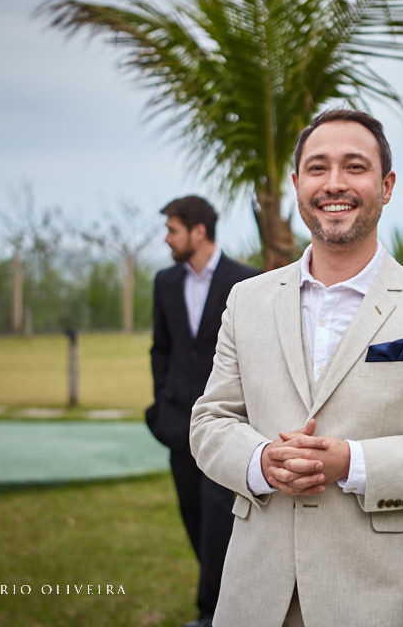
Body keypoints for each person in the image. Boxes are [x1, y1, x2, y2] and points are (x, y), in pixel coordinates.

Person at [189, 109, 403, 626]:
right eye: (318, 168)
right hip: (253, 596)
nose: (334, 184)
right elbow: (209, 422)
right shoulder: (247, 300)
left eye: (354, 167)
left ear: (386, 184)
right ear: (296, 184)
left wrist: (351, 463)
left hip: (370, 600)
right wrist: (260, 461)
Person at [145, 195, 259, 627]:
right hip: (177, 424)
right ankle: (221, 597)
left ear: (198, 231)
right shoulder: (164, 282)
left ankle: (211, 612)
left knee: (218, 518)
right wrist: (163, 400)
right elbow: (162, 347)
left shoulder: (245, 281)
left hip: (227, 425)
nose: (166, 238)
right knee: (191, 513)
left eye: (172, 230)